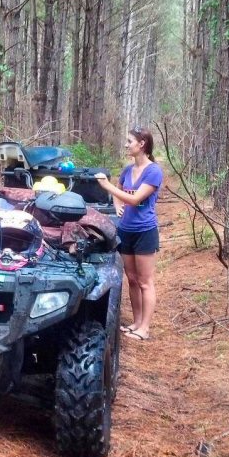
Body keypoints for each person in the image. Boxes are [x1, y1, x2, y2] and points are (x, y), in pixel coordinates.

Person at [94, 126, 163, 342]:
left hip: (145, 231)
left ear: (142, 144)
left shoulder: (154, 171)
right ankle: (136, 322)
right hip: (126, 230)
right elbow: (121, 189)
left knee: (145, 281)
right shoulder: (127, 170)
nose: (126, 145)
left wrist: (106, 187)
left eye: (129, 141)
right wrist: (116, 206)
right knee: (132, 279)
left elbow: (134, 199)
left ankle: (145, 328)